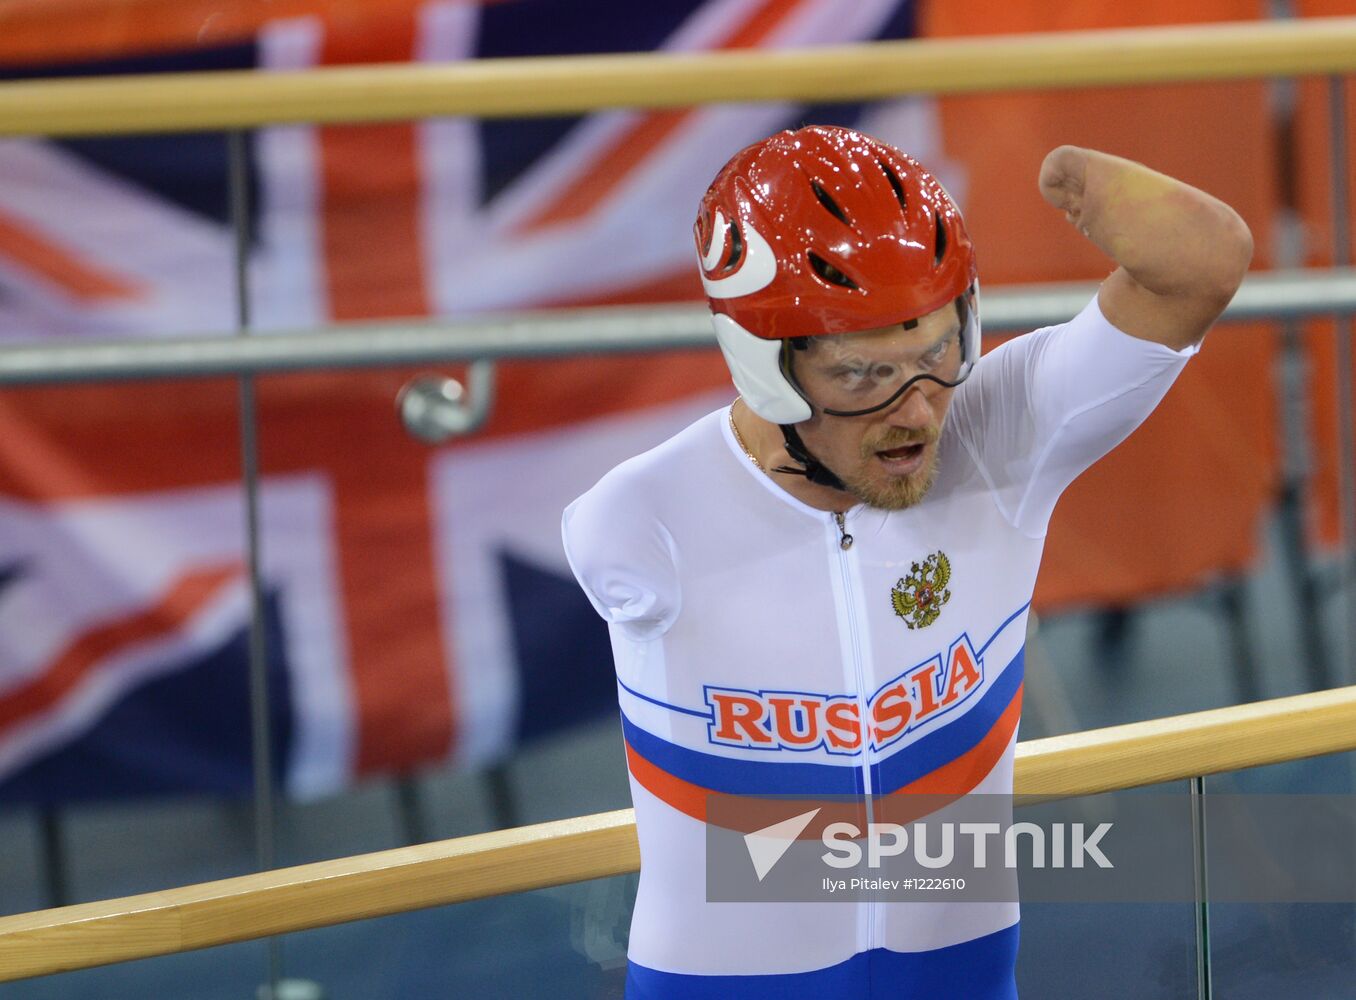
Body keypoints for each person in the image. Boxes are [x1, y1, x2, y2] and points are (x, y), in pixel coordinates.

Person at [561, 125, 1251, 998]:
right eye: (862, 376)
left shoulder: (1004, 436)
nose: (917, 412)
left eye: (934, 355)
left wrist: (1083, 172)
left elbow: (1203, 260)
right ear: (765, 368)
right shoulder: (636, 524)